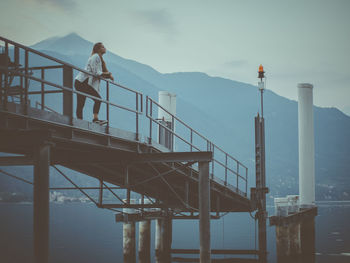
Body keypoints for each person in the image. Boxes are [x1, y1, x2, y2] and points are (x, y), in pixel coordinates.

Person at [74, 42, 114, 123]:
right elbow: (97, 73)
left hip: (81, 82)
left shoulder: (98, 58)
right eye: (103, 47)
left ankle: (80, 121)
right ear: (98, 49)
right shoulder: (96, 57)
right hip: (82, 82)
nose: (105, 48)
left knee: (81, 103)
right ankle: (94, 119)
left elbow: (98, 73)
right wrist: (109, 75)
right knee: (97, 99)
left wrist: (107, 75)